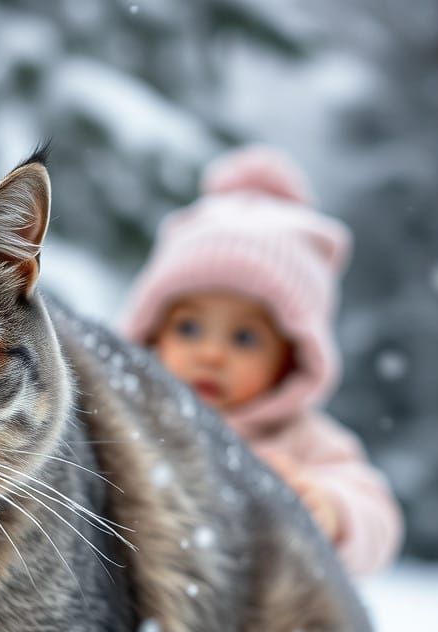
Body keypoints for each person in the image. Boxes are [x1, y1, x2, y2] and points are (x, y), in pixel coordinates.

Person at [120, 145, 402, 576]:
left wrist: (330, 509)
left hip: (266, 629)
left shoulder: (302, 440)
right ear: (152, 335)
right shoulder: (132, 421)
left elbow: (379, 517)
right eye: (189, 329)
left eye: (245, 337)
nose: (211, 354)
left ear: (291, 357)